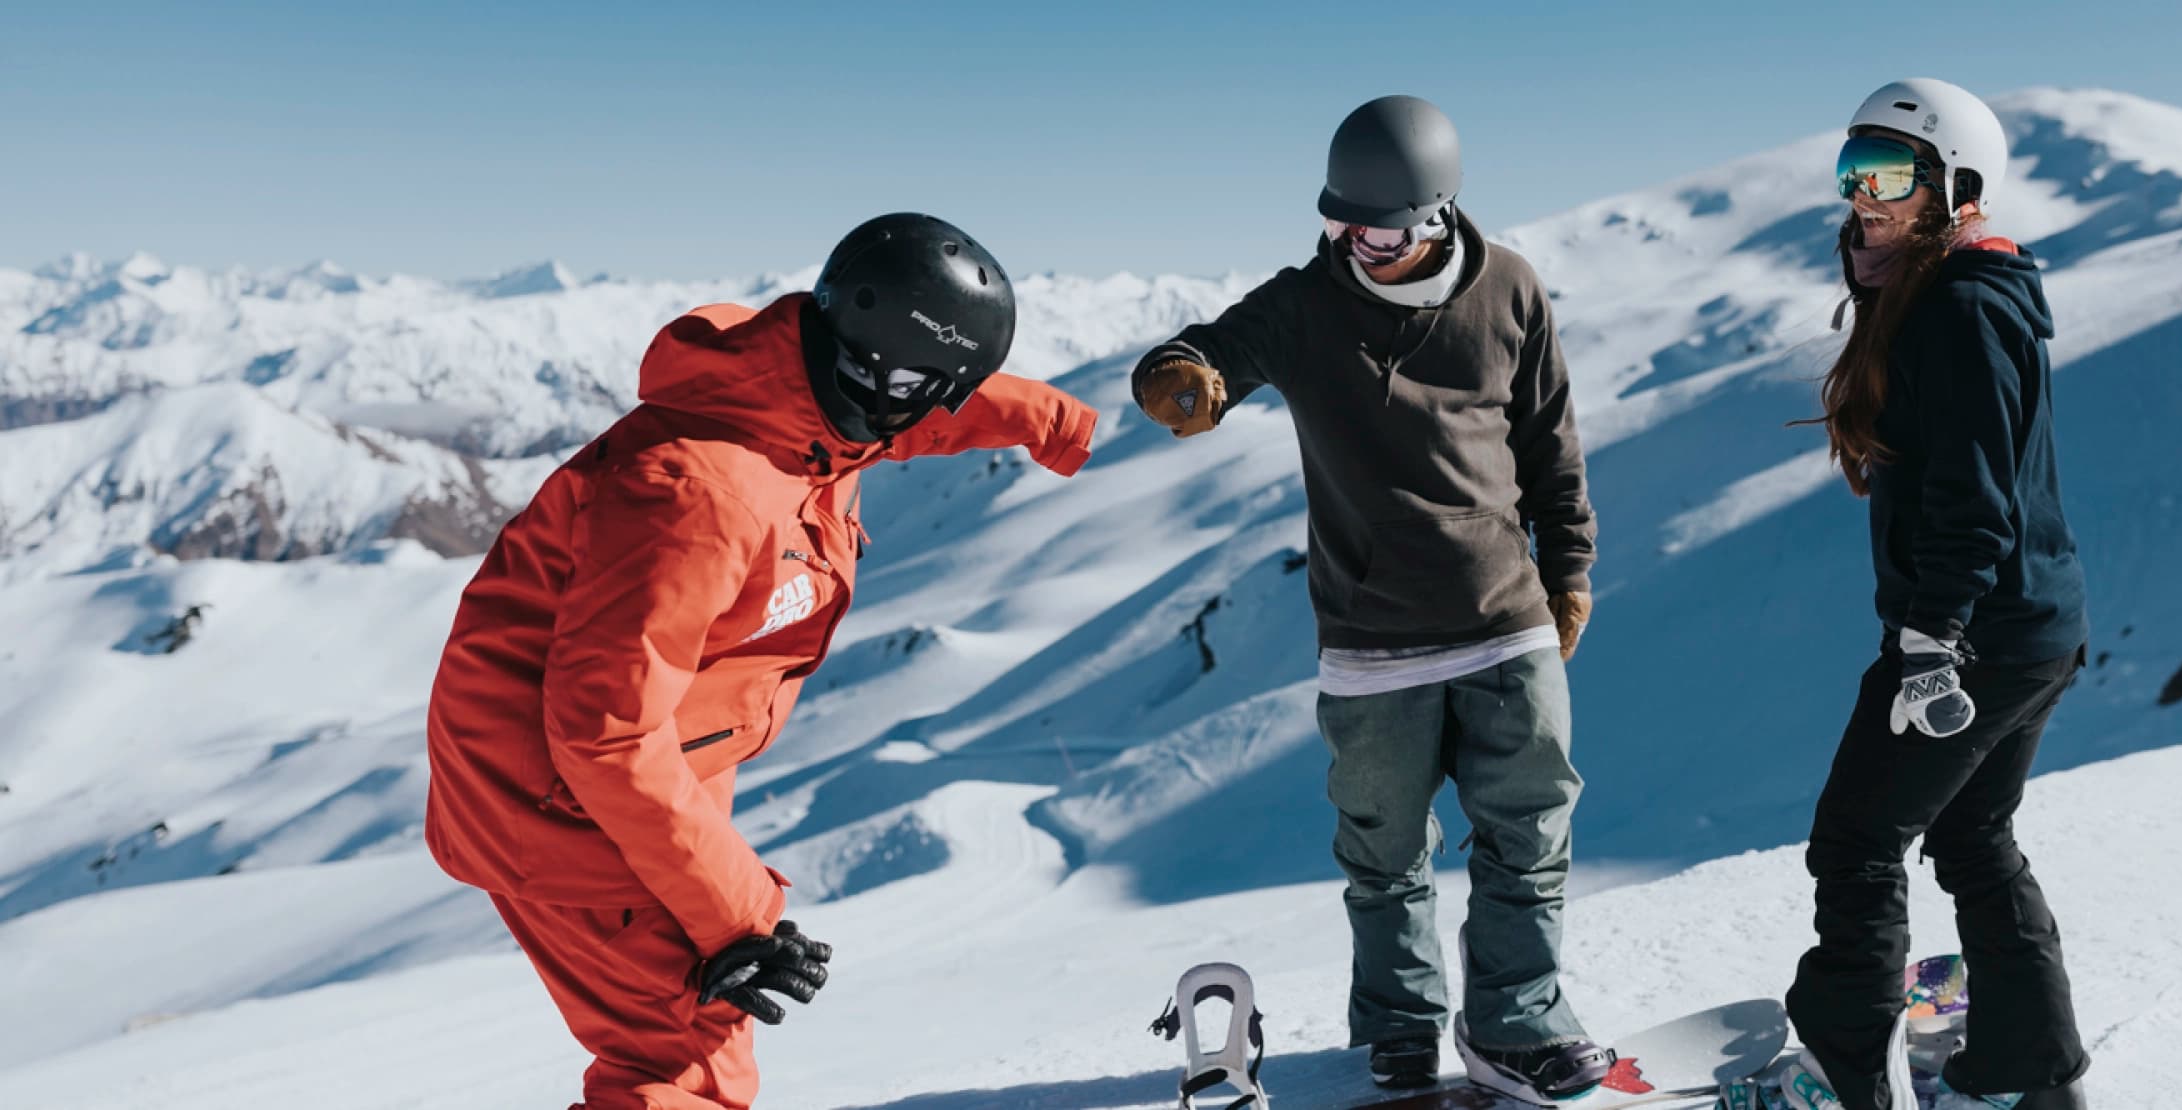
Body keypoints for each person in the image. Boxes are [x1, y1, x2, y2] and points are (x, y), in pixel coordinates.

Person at [424, 214, 1098, 1110]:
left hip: (658, 759)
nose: (936, 414)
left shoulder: (809, 404)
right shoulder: (701, 494)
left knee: (692, 1053)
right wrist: (740, 920)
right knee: (683, 1064)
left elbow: (916, 421)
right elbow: (604, 735)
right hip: (566, 798)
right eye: (930, 390)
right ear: (882, 372)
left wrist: (1056, 422)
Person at [1131, 95, 1606, 1103]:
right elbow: (1207, 351)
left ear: (1435, 214)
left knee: (1529, 836)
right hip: (1372, 642)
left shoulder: (1508, 289)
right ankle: (1395, 1032)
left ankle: (1515, 1021)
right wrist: (1183, 377)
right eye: (1340, 222)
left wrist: (1568, 571)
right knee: (1384, 857)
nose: (1358, 244)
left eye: (1380, 229)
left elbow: (1549, 446)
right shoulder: (1306, 304)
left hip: (1502, 621)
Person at [1782, 79, 2091, 1110]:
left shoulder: (1957, 310)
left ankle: (1846, 1069)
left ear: (1954, 187)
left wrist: (1929, 641)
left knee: (1857, 842)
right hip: (2029, 627)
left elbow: (1973, 501)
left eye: (1885, 174)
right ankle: (2030, 1068)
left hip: (1974, 640)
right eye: (1849, 170)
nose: (1860, 196)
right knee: (1970, 835)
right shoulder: (1950, 296)